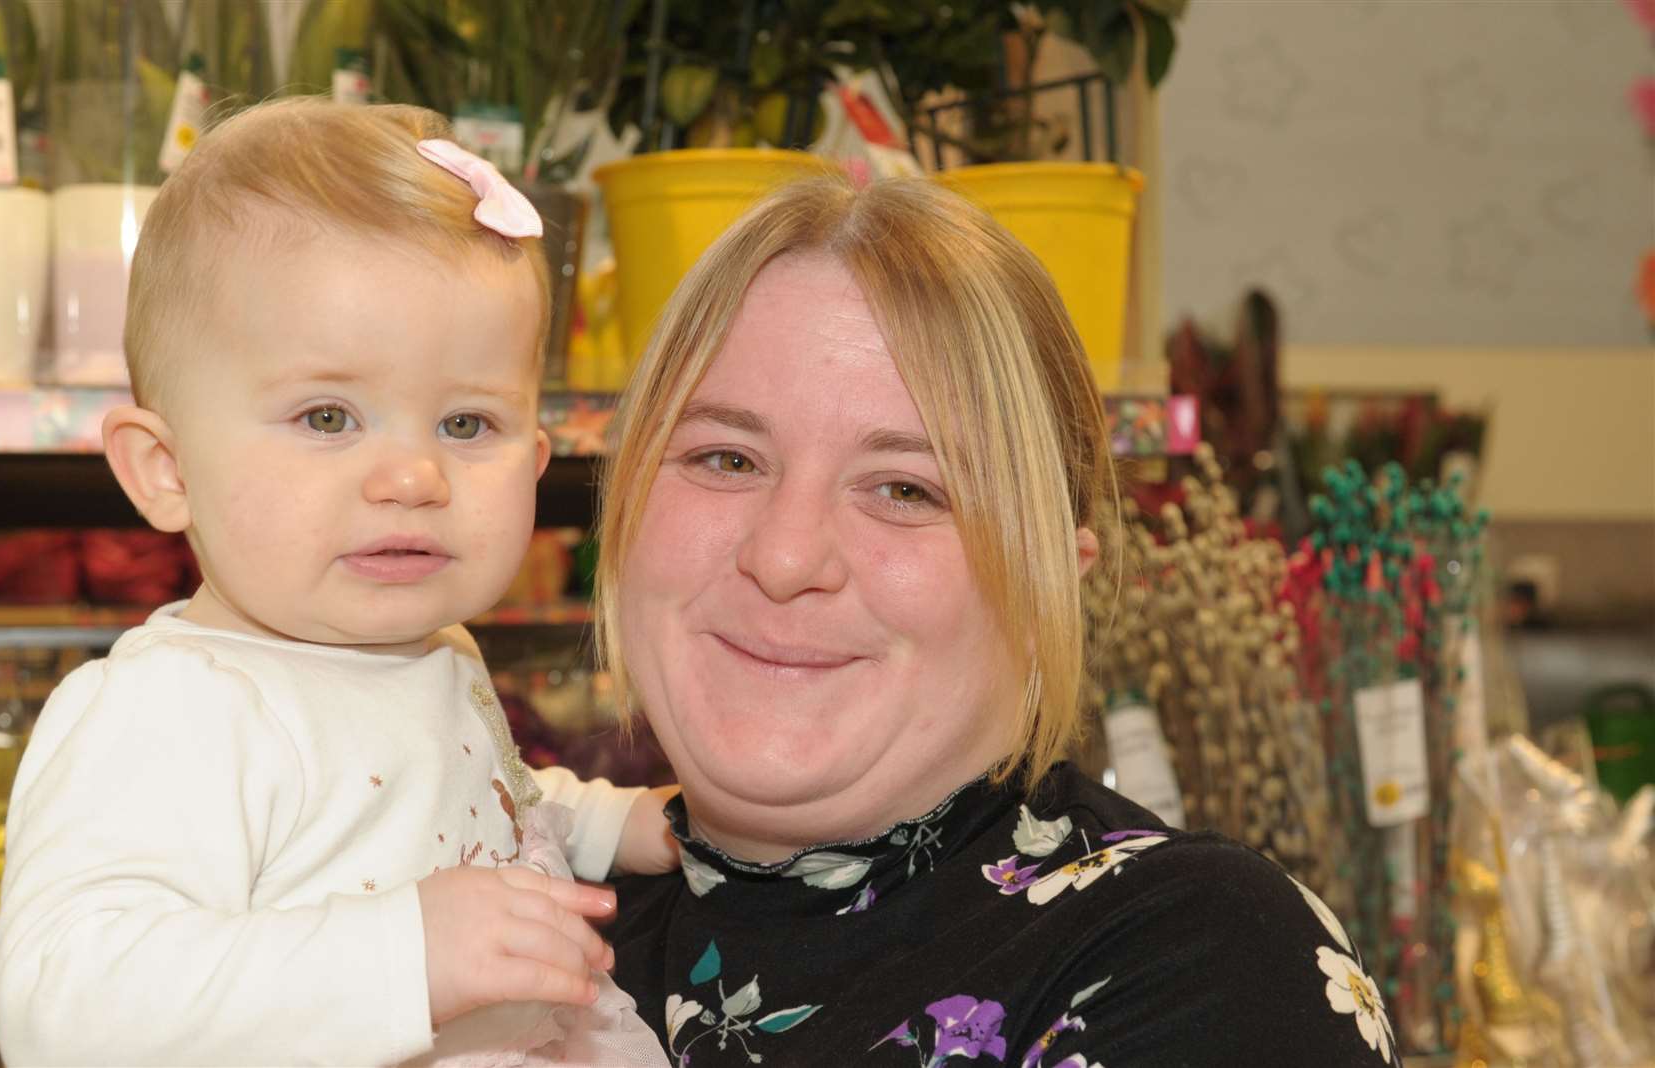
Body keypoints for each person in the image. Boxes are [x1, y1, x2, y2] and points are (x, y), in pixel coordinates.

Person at [598, 175, 1404, 1067]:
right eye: (727, 457)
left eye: (907, 489)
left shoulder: (1204, 964)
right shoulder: (494, 910)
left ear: (1052, 584)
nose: (784, 558)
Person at [0, 100, 674, 1067]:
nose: (413, 477)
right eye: (326, 418)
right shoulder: (176, 708)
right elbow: (67, 1007)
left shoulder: (437, 653)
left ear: (536, 459)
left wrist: (614, 823)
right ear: (167, 470)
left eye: (468, 425)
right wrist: (407, 954)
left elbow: (490, 809)